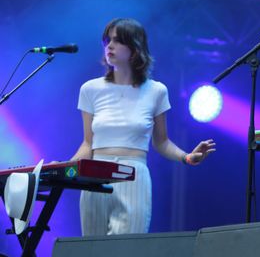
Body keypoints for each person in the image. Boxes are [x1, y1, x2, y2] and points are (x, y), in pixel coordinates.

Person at [70, 18, 216, 235]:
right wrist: (64, 168)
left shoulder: (156, 91)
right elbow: (87, 144)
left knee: (127, 249)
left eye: (118, 41)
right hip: (95, 173)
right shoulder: (90, 89)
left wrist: (186, 157)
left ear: (135, 48)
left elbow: (162, 142)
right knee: (91, 250)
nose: (109, 46)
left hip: (133, 174)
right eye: (107, 40)